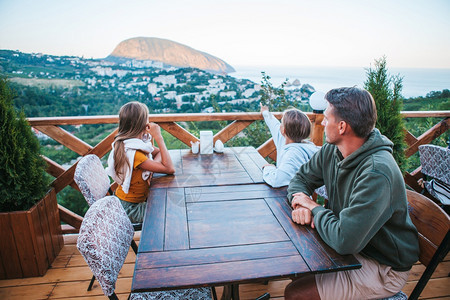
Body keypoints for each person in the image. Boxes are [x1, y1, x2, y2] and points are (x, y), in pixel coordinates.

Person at [284, 87, 419, 300]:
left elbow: (344, 240)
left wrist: (314, 208)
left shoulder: (376, 172)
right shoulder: (333, 149)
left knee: (296, 293)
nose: (320, 123)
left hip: (382, 267)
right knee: (297, 266)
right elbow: (300, 180)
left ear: (342, 126)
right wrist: (300, 203)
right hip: (353, 244)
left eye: (326, 118)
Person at [106, 101, 175, 223]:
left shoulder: (132, 144)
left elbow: (158, 155)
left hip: (126, 202)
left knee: (168, 205)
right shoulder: (134, 153)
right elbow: (169, 168)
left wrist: (153, 165)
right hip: (130, 208)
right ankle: (156, 241)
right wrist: (159, 137)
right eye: (147, 119)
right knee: (169, 212)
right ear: (142, 124)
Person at [260, 104, 319, 188]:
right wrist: (265, 112)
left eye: (282, 123)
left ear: (283, 130)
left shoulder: (292, 154)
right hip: (293, 192)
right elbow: (273, 124)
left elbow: (277, 180)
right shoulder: (307, 147)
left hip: (294, 197)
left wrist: (269, 168)